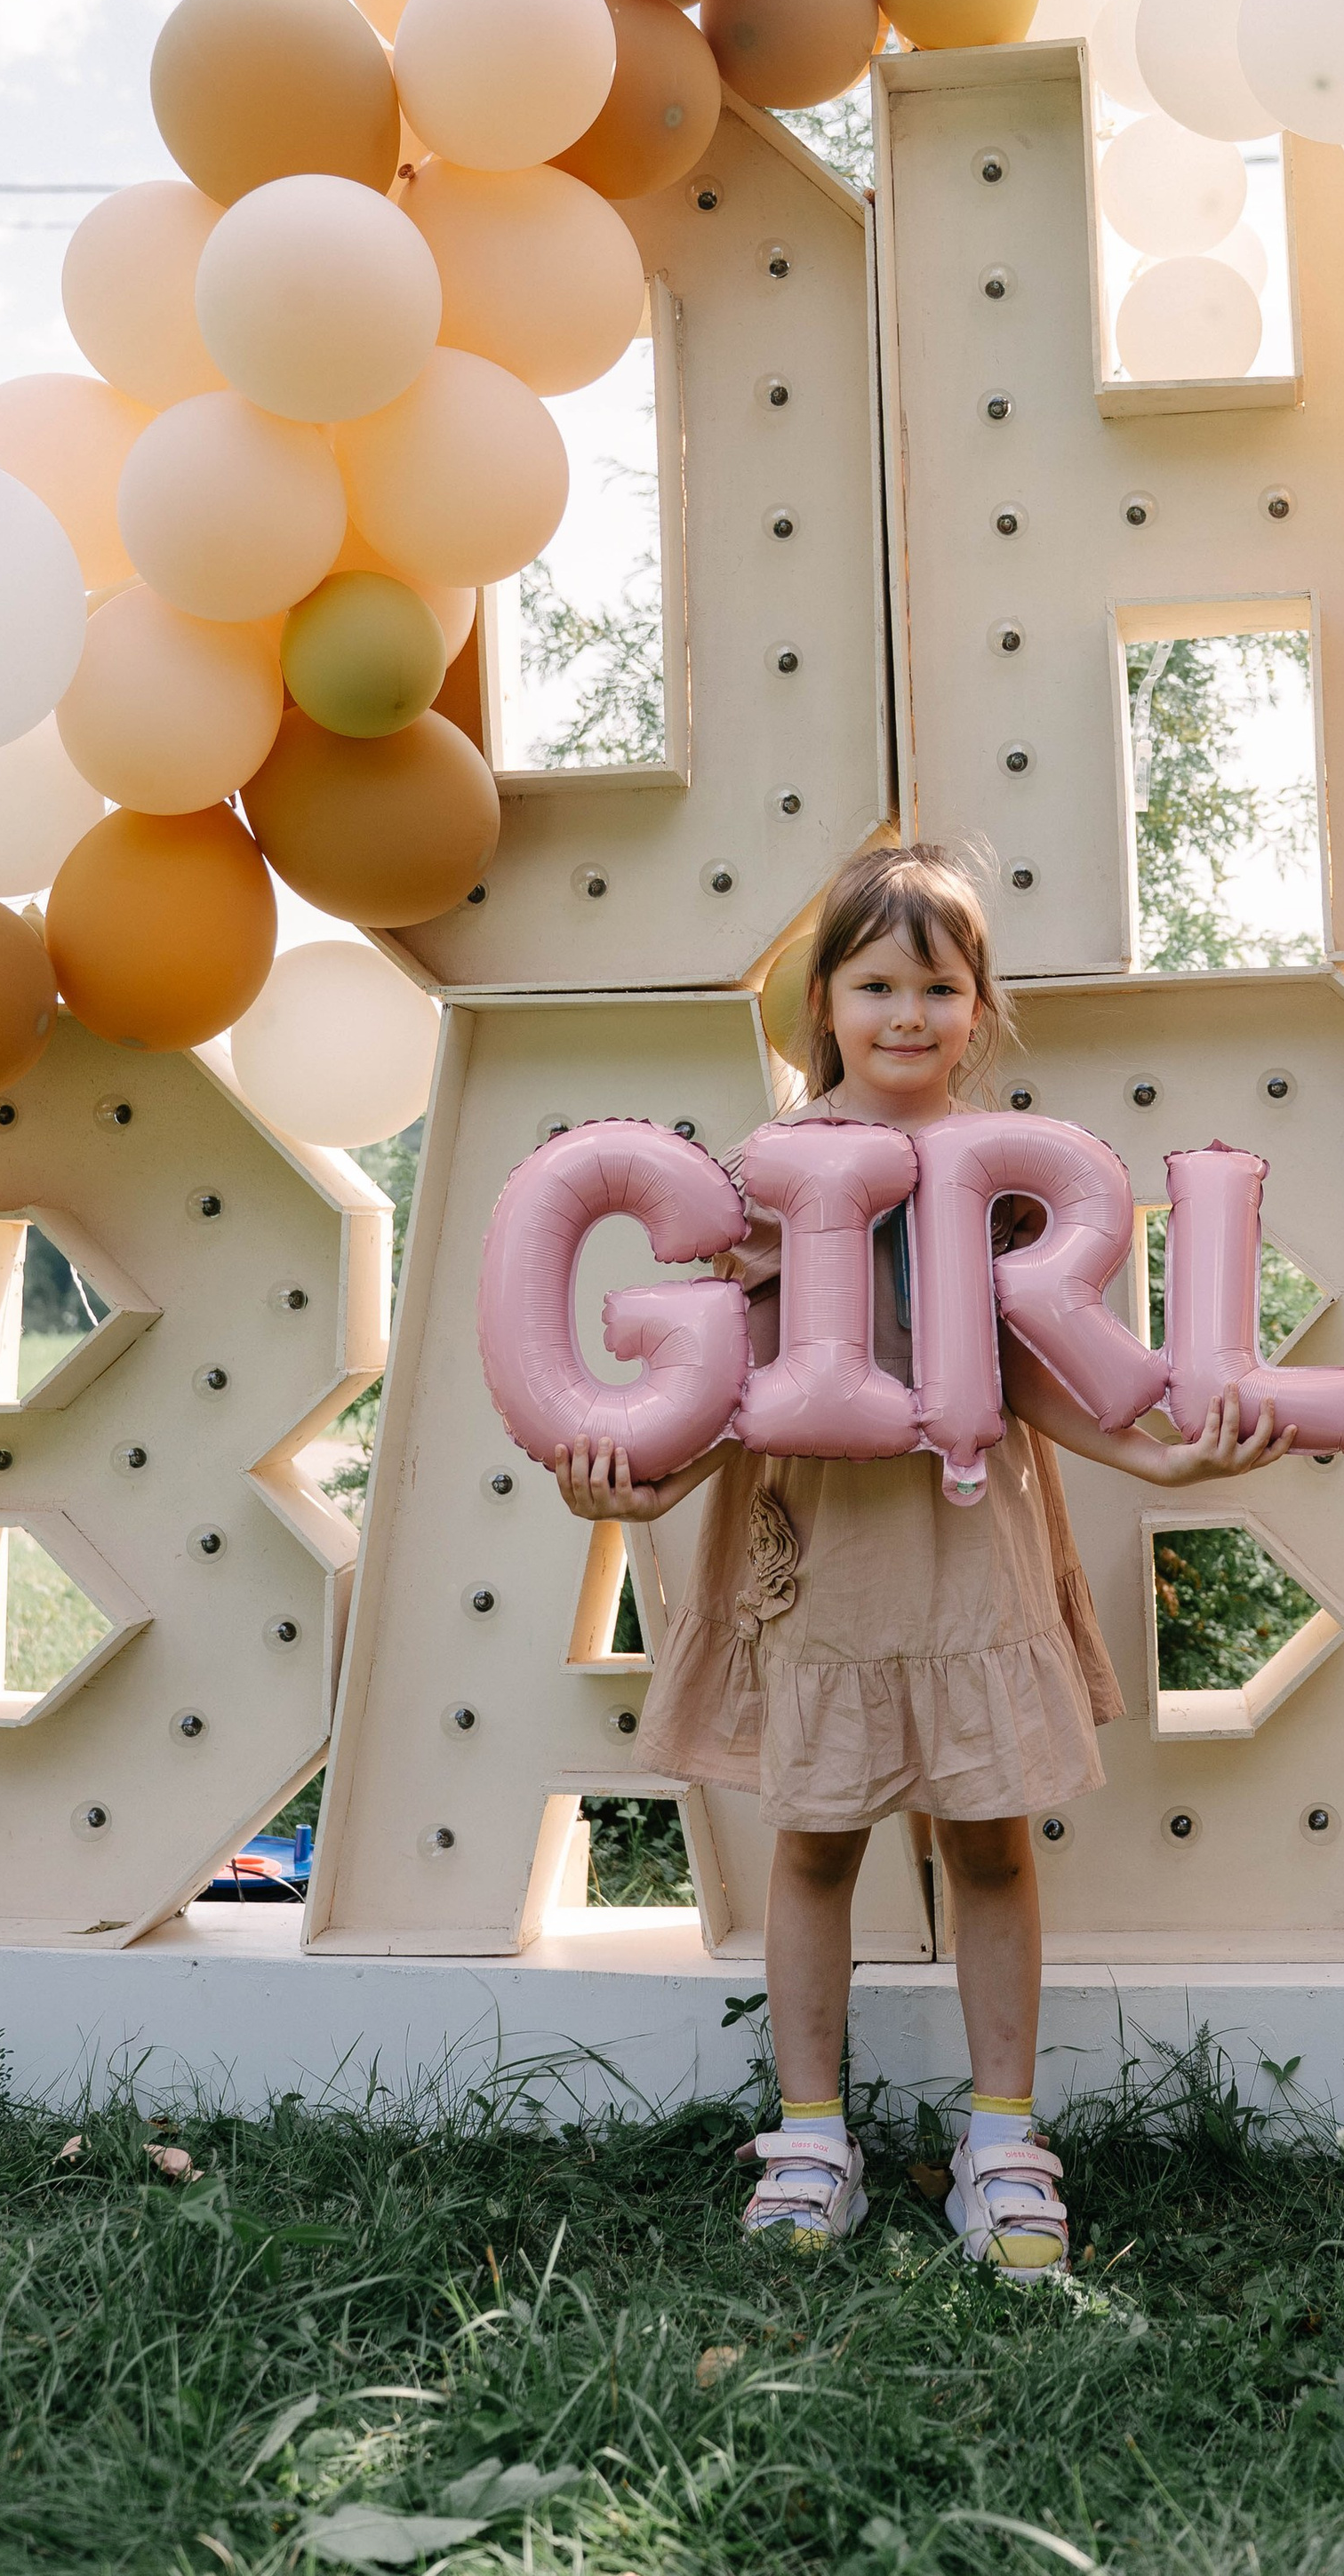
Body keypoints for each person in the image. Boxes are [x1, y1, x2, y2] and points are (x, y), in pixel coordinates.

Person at [555, 842, 1291, 2271]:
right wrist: (620, 1492)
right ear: (819, 999)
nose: (907, 1012)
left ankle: (1004, 2138)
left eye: (937, 985)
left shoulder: (1015, 1184)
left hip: (970, 1550)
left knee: (993, 1846)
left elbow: (1056, 1385)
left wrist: (1170, 1456)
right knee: (815, 1846)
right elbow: (718, 1395)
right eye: (875, 981)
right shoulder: (765, 1185)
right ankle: (810, 2137)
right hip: (827, 1557)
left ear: (979, 1006)